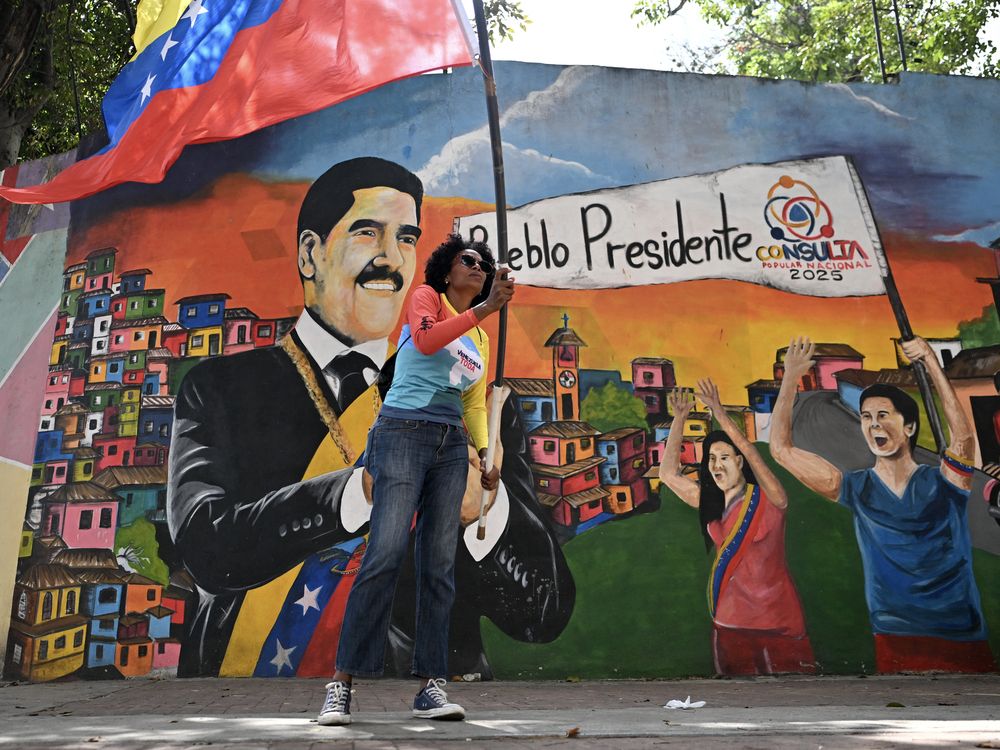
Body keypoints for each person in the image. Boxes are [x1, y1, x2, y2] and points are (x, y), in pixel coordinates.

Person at [168, 159, 573, 679]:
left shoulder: (469, 385)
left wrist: (486, 510)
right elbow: (207, 545)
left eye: (407, 239)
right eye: (368, 232)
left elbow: (542, 612)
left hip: (429, 694)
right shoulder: (218, 390)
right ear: (310, 253)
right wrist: (360, 493)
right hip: (255, 693)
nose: (392, 259)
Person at [317, 234, 514, 725]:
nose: (478, 266)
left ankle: (430, 686)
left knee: (439, 566)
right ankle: (341, 683)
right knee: (384, 553)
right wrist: (486, 307)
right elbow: (427, 339)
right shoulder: (427, 300)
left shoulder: (482, 337)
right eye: (469, 259)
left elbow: (472, 401)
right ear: (447, 270)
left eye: (484, 263)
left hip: (451, 446)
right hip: (402, 433)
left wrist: (486, 454)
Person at [770, 336, 995, 673]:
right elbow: (781, 450)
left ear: (909, 427)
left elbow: (961, 438)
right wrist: (790, 379)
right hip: (894, 632)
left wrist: (931, 362)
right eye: (866, 417)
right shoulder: (854, 487)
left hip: (959, 630)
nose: (873, 424)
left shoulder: (943, 482)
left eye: (883, 415)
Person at [658, 379, 815, 675]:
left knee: (795, 698)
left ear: (740, 461)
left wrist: (719, 412)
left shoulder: (769, 499)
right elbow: (667, 474)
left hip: (779, 621)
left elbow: (754, 456)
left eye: (725, 458)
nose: (717, 465)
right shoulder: (710, 503)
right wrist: (679, 418)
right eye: (711, 459)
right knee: (736, 700)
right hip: (730, 624)